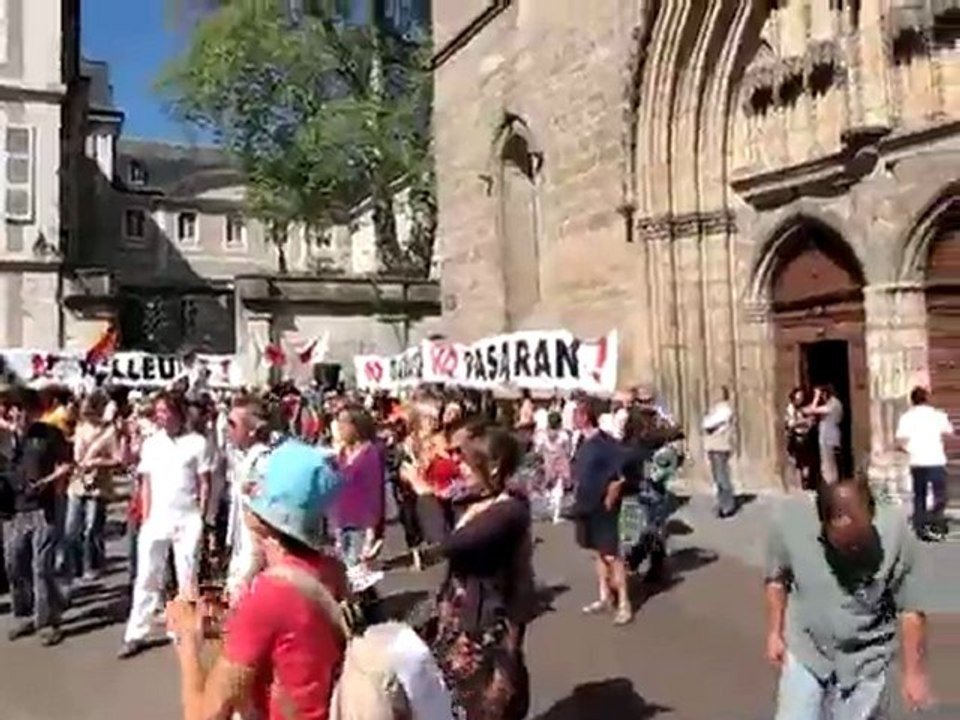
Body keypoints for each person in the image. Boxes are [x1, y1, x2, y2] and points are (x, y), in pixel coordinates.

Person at [166, 438, 347, 720]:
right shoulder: (331, 571)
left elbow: (206, 716)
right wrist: (235, 624)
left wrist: (186, 640)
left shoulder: (271, 594)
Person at [765, 475, 932, 718]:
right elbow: (776, 579)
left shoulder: (896, 533)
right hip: (807, 648)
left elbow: (911, 610)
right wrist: (774, 632)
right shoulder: (790, 522)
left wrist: (913, 673)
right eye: (843, 546)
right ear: (823, 528)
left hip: (867, 658)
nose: (853, 551)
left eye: (859, 542)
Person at [434, 422, 534, 720]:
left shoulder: (508, 511)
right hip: (462, 621)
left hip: (487, 627)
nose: (460, 469)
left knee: (491, 705)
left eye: (465, 462)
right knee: (459, 703)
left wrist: (423, 494)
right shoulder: (477, 502)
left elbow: (450, 544)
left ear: (492, 468)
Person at [120, 391, 213, 659]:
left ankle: (181, 629)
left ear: (178, 412)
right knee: (148, 574)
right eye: (158, 411)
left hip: (187, 518)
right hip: (157, 519)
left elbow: (204, 483)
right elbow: (145, 483)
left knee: (186, 576)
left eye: (165, 411)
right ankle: (136, 633)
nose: (161, 416)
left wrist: (203, 517)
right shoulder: (152, 444)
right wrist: (147, 517)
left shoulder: (197, 443)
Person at [3, 388, 73, 647]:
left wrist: (48, 481)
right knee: (14, 562)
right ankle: (26, 613)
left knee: (41, 567)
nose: (17, 413)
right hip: (13, 511)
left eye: (22, 408)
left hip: (44, 509)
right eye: (13, 408)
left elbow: (67, 463)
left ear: (33, 410)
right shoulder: (5, 439)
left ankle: (47, 622)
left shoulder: (49, 434)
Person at [571, 397, 631, 625]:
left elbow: (620, 475)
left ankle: (624, 603)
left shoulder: (605, 444)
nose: (573, 419)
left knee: (611, 554)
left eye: (576, 414)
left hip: (603, 508)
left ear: (585, 417)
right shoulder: (580, 442)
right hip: (585, 506)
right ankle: (605, 596)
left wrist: (610, 496)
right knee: (597, 552)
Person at [64, 392, 121, 585]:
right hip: (78, 482)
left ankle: (91, 565)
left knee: (91, 528)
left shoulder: (109, 431)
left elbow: (117, 459)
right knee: (71, 527)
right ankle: (74, 566)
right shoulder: (80, 428)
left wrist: (98, 461)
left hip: (98, 486)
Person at [224, 395, 273, 603]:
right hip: (239, 546)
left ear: (252, 430)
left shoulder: (262, 461)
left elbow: (263, 519)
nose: (227, 429)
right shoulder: (241, 456)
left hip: (253, 552)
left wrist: (253, 565)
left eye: (233, 424)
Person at [896, 385, 955, 542]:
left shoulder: (906, 417)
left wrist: (909, 450)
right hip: (936, 459)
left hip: (917, 461)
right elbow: (950, 432)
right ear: (927, 399)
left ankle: (921, 526)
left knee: (919, 494)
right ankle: (935, 521)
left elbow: (900, 441)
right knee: (940, 494)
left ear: (912, 400)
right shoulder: (938, 415)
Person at [328, 406, 384, 568]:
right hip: (339, 521)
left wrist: (372, 531)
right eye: (338, 421)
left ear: (357, 426)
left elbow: (374, 493)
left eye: (344, 422)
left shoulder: (370, 454)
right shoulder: (342, 453)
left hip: (360, 525)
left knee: (356, 569)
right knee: (345, 571)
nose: (339, 426)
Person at [702, 386, 737, 518]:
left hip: (720, 447)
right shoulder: (717, 409)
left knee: (723, 478)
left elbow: (708, 423)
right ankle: (722, 504)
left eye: (716, 393)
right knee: (718, 478)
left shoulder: (724, 410)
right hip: (714, 446)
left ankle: (728, 506)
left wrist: (707, 420)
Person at [806, 385, 843, 485]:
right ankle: (831, 483)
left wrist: (816, 397)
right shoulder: (831, 403)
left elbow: (813, 410)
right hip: (828, 435)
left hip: (829, 436)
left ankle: (831, 485)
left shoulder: (833, 404)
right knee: (828, 462)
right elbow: (808, 411)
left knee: (829, 464)